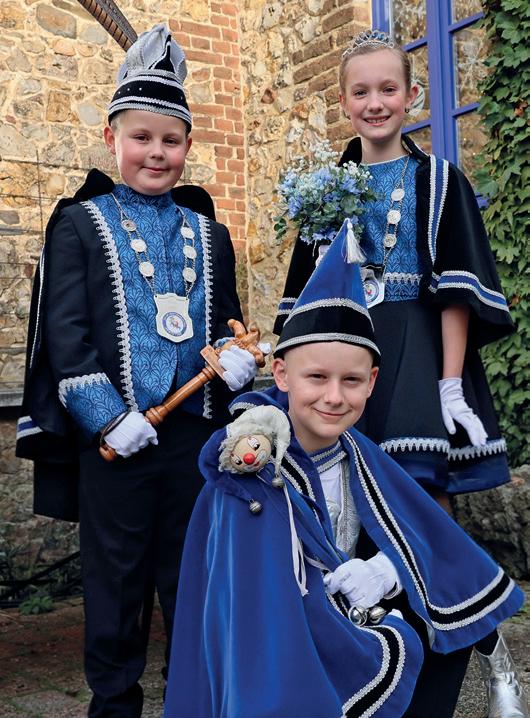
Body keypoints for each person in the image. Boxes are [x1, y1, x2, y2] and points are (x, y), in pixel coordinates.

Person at [163, 221, 524, 718]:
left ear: (372, 382)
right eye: (317, 377)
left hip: (349, 617)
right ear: (282, 374)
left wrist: (387, 571)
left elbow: (433, 540)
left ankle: (493, 664)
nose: (334, 396)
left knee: (440, 605)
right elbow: (251, 603)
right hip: (284, 640)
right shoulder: (249, 468)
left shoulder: (360, 452)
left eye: (351, 380)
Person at [273, 29, 528, 717]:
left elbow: (454, 291)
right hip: (346, 359)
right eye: (361, 91)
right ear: (343, 101)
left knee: (421, 500)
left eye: (389, 88)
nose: (376, 102)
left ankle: (472, 648)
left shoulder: (438, 180)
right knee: (347, 510)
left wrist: (449, 384)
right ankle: (370, 668)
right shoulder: (325, 187)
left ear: (412, 96)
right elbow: (304, 301)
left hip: (417, 351)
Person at [15, 25, 263, 718]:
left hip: (194, 440)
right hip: (118, 440)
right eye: (142, 137)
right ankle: (114, 704)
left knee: (193, 580)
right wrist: (107, 417)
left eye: (171, 140)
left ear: (188, 145)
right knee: (116, 584)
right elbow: (65, 336)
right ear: (112, 138)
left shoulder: (211, 234)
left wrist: (236, 361)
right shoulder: (78, 224)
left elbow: (228, 323)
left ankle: (195, 700)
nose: (157, 152)